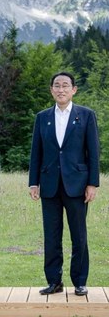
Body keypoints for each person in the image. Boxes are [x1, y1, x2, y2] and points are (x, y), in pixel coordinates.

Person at [29, 71, 100, 297]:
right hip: (49, 184)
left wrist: (93, 183)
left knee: (78, 235)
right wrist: (33, 182)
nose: (61, 89)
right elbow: (36, 153)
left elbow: (94, 152)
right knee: (51, 235)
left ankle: (80, 281)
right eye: (57, 85)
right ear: (51, 90)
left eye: (65, 85)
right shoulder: (42, 117)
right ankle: (54, 281)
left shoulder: (86, 115)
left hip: (77, 185)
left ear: (74, 90)